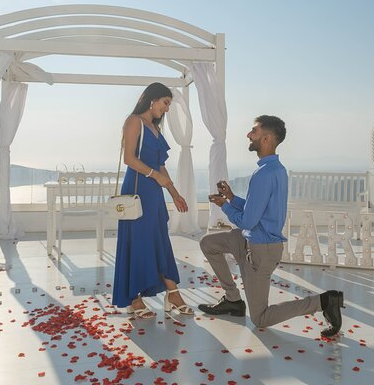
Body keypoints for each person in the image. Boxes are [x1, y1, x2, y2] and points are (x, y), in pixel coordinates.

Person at [201, 115, 345, 337]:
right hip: (248, 239)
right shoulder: (276, 169)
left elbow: (248, 220)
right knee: (208, 243)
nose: (249, 135)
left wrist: (225, 206)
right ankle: (232, 300)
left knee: (260, 318)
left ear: (266, 138)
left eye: (254, 131)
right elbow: (256, 209)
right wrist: (230, 197)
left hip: (260, 249)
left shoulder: (263, 174)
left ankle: (324, 301)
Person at [112, 82, 193, 318]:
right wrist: (154, 175)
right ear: (152, 99)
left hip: (154, 193)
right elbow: (129, 158)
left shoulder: (155, 129)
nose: (166, 109)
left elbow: (161, 166)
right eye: (165, 103)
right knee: (137, 242)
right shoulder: (134, 121)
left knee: (160, 242)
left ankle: (173, 293)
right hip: (137, 191)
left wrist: (175, 194)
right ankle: (133, 298)